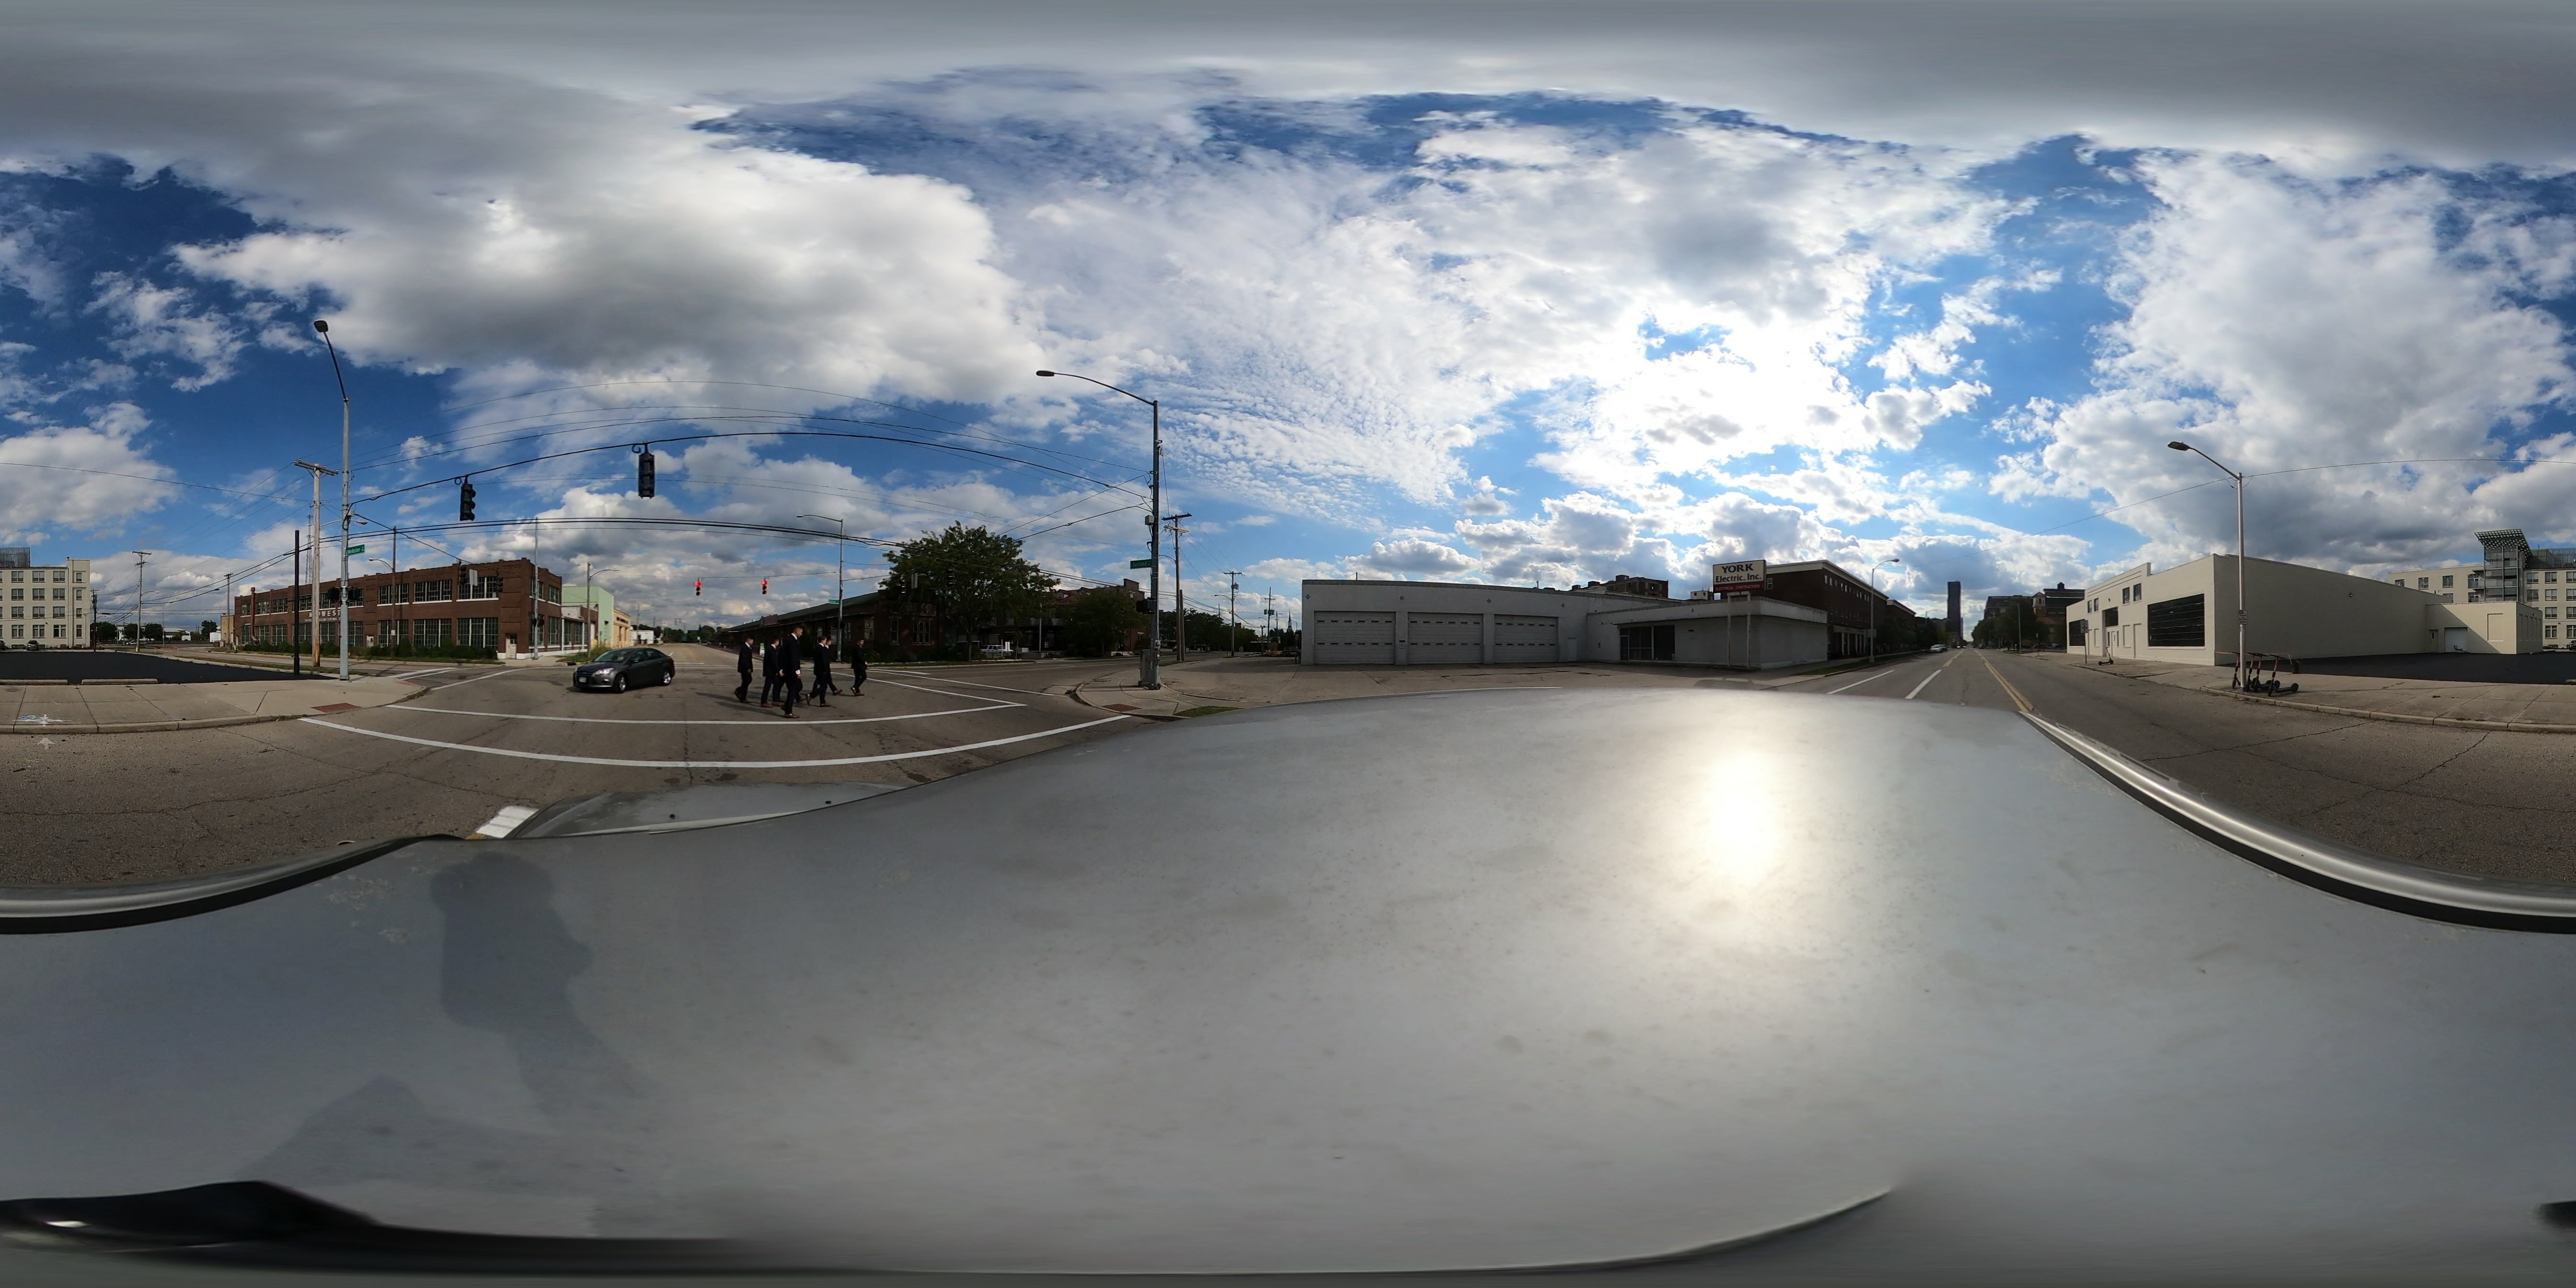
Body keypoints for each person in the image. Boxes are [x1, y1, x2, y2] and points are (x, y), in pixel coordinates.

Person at [777, 626, 804, 718]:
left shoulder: (787, 640)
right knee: (793, 689)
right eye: (801, 632)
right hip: (792, 670)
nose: (801, 634)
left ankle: (787, 706)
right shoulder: (793, 642)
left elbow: (781, 655)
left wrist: (781, 668)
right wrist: (797, 671)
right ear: (797, 631)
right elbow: (794, 657)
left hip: (786, 669)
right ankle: (788, 711)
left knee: (797, 687)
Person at [811, 632, 835, 707]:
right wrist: (826, 670)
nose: (826, 642)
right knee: (824, 686)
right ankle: (812, 695)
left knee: (823, 685)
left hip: (817, 669)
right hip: (823, 670)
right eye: (825, 640)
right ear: (822, 640)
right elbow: (824, 661)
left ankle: (823, 702)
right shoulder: (823, 649)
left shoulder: (816, 648)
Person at [759, 633, 783, 707]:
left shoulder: (769, 649)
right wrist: (779, 670)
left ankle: (775, 700)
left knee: (777, 684)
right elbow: (773, 662)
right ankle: (764, 702)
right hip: (771, 672)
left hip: (770, 671)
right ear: (776, 642)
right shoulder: (772, 650)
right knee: (768, 686)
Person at [734, 637, 755, 702]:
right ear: (749, 641)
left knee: (747, 681)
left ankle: (741, 692)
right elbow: (744, 659)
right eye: (752, 641)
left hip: (746, 668)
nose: (753, 643)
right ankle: (742, 696)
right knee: (747, 680)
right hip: (745, 668)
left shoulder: (747, 648)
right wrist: (748, 668)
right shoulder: (745, 648)